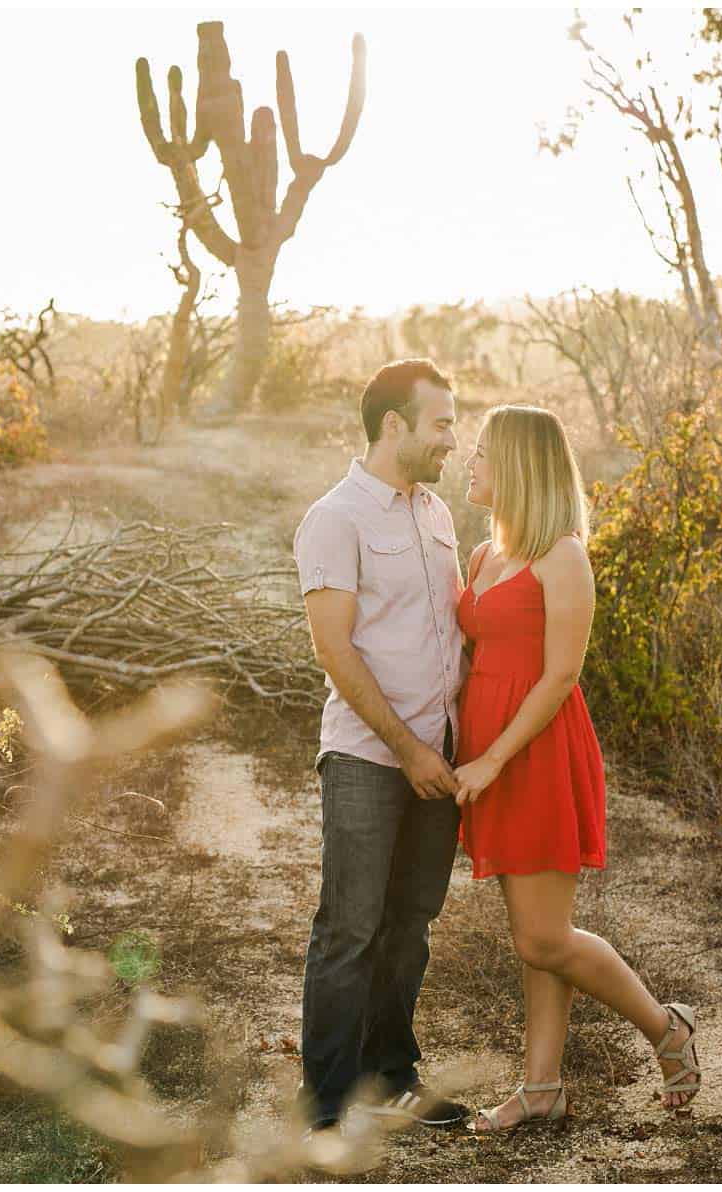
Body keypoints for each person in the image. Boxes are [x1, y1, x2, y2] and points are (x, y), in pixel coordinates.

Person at [452, 404, 704, 1134]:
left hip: (534, 754)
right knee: (536, 928)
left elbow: (560, 676)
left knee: (542, 938)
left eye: (483, 454)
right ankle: (541, 1089)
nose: (470, 464)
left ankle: (667, 1028)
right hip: (486, 756)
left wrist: (494, 759)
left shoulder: (563, 557)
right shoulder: (482, 556)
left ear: (520, 467)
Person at [291, 358, 471, 1135]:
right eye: (442, 424)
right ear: (393, 425)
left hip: (441, 753)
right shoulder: (335, 518)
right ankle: (325, 1104)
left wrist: (454, 746)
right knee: (350, 928)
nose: (453, 440)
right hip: (371, 756)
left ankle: (391, 1071)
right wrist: (406, 750)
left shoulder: (436, 513)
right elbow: (335, 649)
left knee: (411, 922)